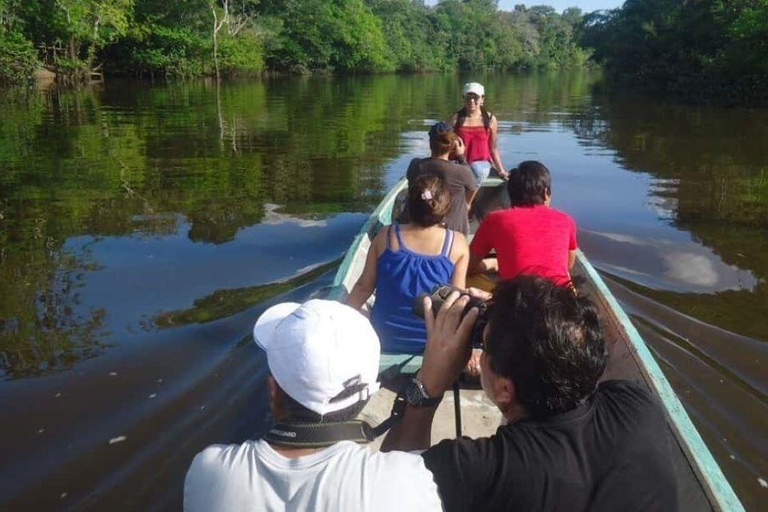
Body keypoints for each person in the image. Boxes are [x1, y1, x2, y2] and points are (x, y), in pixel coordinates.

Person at [382, 276, 679, 512]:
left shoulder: (478, 469)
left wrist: (430, 384)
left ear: (504, 390)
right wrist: (510, 318)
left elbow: (381, 493)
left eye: (483, 349)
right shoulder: (638, 404)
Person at [184, 299, 443, 512]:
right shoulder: (407, 482)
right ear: (367, 395)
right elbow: (400, 471)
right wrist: (427, 393)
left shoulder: (207, 469)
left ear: (273, 390)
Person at [347, 174, 469, 354]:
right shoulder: (458, 244)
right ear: (445, 210)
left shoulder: (385, 236)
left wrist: (337, 319)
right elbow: (456, 304)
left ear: (409, 206)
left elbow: (363, 289)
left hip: (382, 340)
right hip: (430, 346)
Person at [468, 160, 578, 288]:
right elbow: (568, 265)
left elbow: (469, 265)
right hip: (560, 300)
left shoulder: (495, 219)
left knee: (463, 276)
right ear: (546, 193)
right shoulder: (566, 220)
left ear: (510, 194)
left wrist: (493, 263)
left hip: (516, 302)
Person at [400, 121, 478, 236]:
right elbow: (472, 187)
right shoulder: (462, 171)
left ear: (430, 144)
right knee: (463, 202)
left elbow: (411, 184)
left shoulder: (415, 165)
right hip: (454, 231)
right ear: (453, 145)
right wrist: (461, 157)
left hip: (418, 226)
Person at [450, 82, 507, 184]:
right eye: (468, 97)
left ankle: (467, 200)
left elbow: (493, 148)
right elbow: (445, 144)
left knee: (477, 170)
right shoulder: (455, 119)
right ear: (463, 98)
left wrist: (501, 170)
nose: (471, 101)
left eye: (475, 97)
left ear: (482, 99)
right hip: (458, 161)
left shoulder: (490, 120)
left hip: (481, 163)